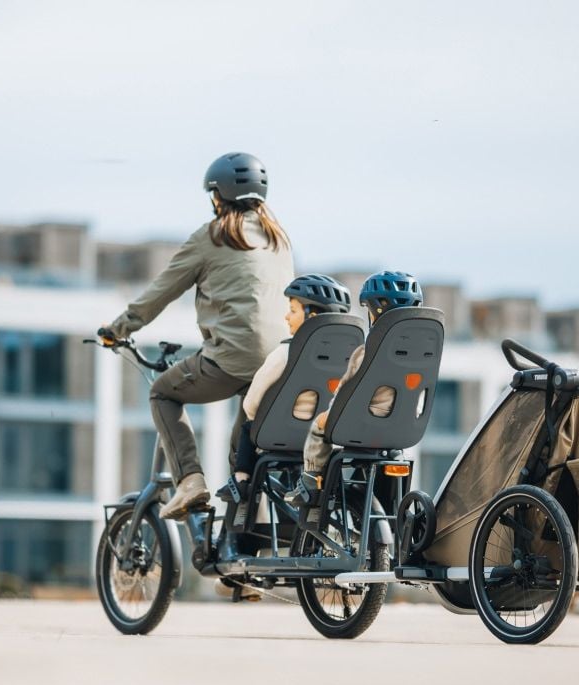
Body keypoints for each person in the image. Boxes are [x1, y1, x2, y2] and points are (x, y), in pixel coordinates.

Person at [101, 152, 294, 519]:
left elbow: (162, 290)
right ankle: (239, 558)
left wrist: (118, 329)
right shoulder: (279, 240)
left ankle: (190, 481)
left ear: (218, 195)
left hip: (231, 361)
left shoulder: (213, 236)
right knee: (244, 459)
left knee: (162, 392)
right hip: (280, 365)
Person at [285, 271, 424, 507]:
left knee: (321, 424)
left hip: (364, 425)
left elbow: (346, 390)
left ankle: (311, 479)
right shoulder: (422, 353)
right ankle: (389, 508)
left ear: (376, 311)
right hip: (405, 428)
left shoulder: (368, 351)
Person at [215, 273, 353, 503]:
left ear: (312, 315)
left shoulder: (285, 353)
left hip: (281, 435)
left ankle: (241, 480)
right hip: (326, 436)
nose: (287, 316)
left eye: (293, 310)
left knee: (248, 426)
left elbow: (252, 403)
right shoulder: (351, 357)